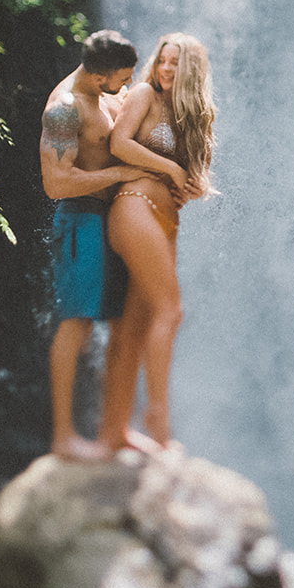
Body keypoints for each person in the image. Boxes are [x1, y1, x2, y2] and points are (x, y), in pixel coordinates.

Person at [97, 33, 216, 451]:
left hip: (165, 219)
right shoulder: (144, 93)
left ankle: (115, 431)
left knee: (135, 327)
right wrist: (168, 168)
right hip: (134, 208)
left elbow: (193, 178)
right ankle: (158, 416)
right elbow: (120, 143)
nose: (165, 69)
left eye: (175, 63)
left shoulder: (192, 114)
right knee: (172, 311)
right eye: (163, 60)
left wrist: (189, 186)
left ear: (192, 72)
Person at [40, 30, 149, 461]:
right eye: (121, 79)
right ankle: (63, 437)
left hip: (112, 222)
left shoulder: (105, 97)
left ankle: (116, 430)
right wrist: (119, 177)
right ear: (100, 75)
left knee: (123, 325)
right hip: (81, 220)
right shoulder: (65, 108)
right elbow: (55, 182)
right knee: (77, 323)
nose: (126, 85)